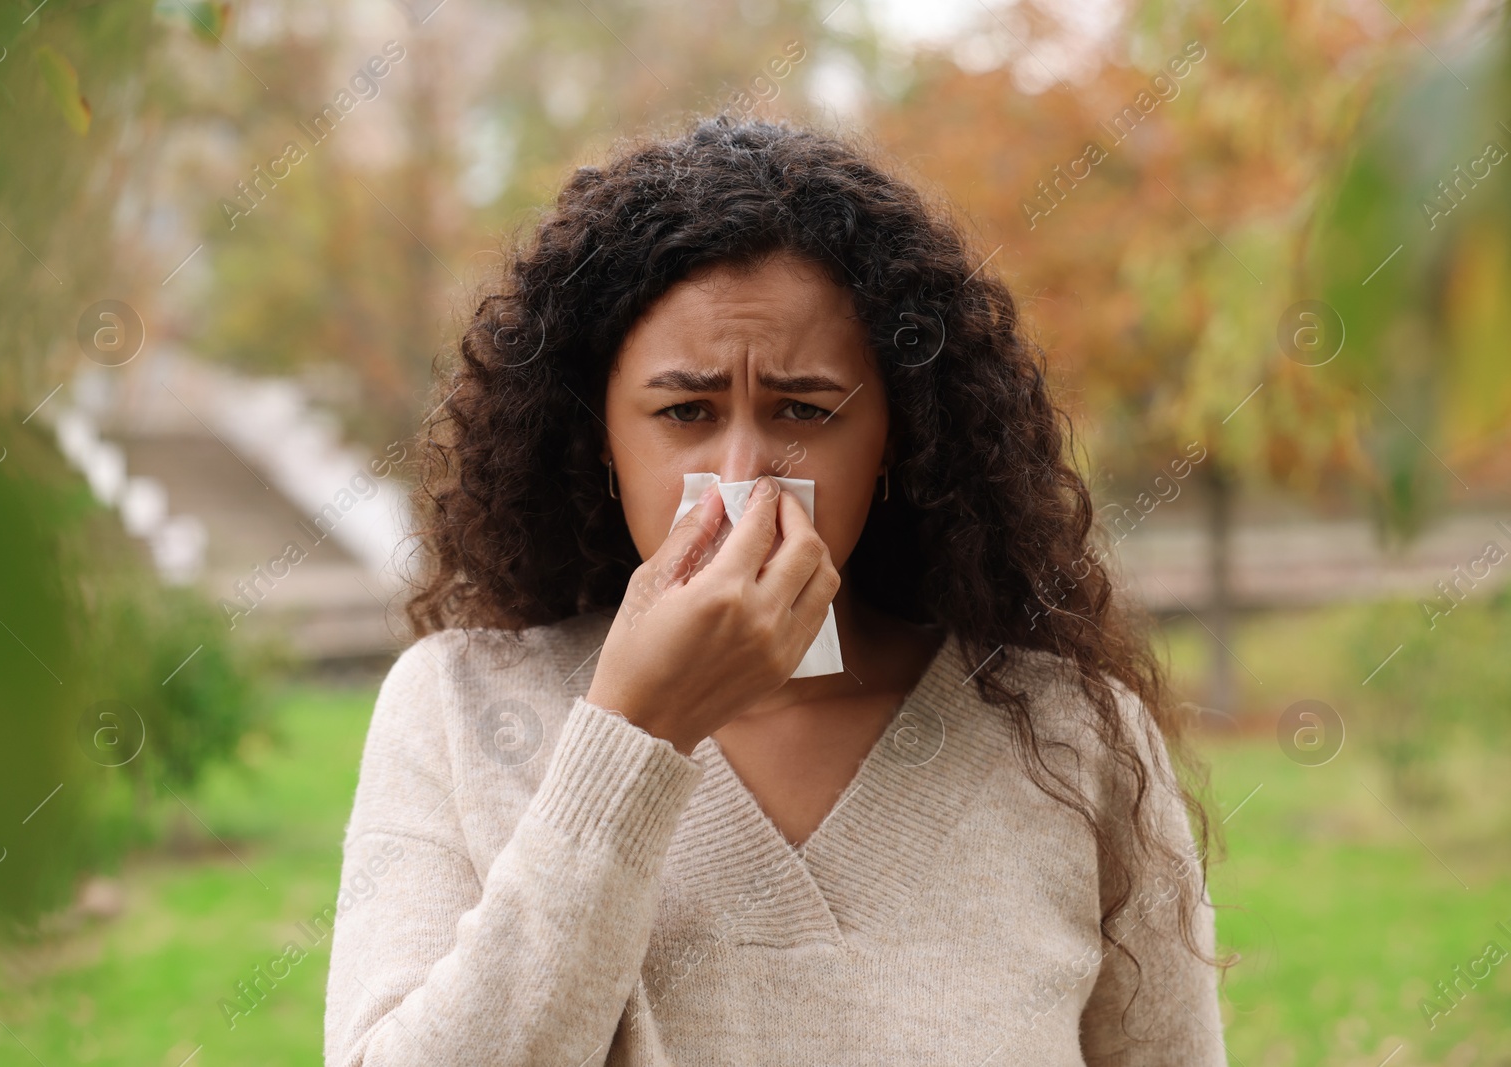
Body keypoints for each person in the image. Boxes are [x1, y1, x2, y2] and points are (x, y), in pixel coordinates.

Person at [323, 114, 1234, 1066]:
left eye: (803, 409)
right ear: (600, 438)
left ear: (894, 438)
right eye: (686, 412)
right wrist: (635, 732)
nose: (745, 474)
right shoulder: (458, 707)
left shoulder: (1072, 735)